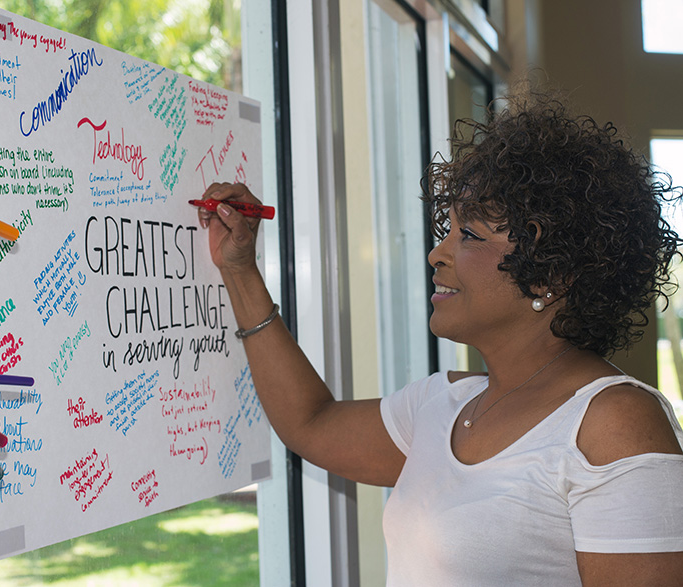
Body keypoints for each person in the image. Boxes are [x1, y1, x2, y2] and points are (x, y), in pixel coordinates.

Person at [194, 91, 683, 585]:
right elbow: (310, 424)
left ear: (551, 273)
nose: (437, 254)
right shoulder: (444, 404)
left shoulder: (614, 424)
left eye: (468, 235)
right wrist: (239, 269)